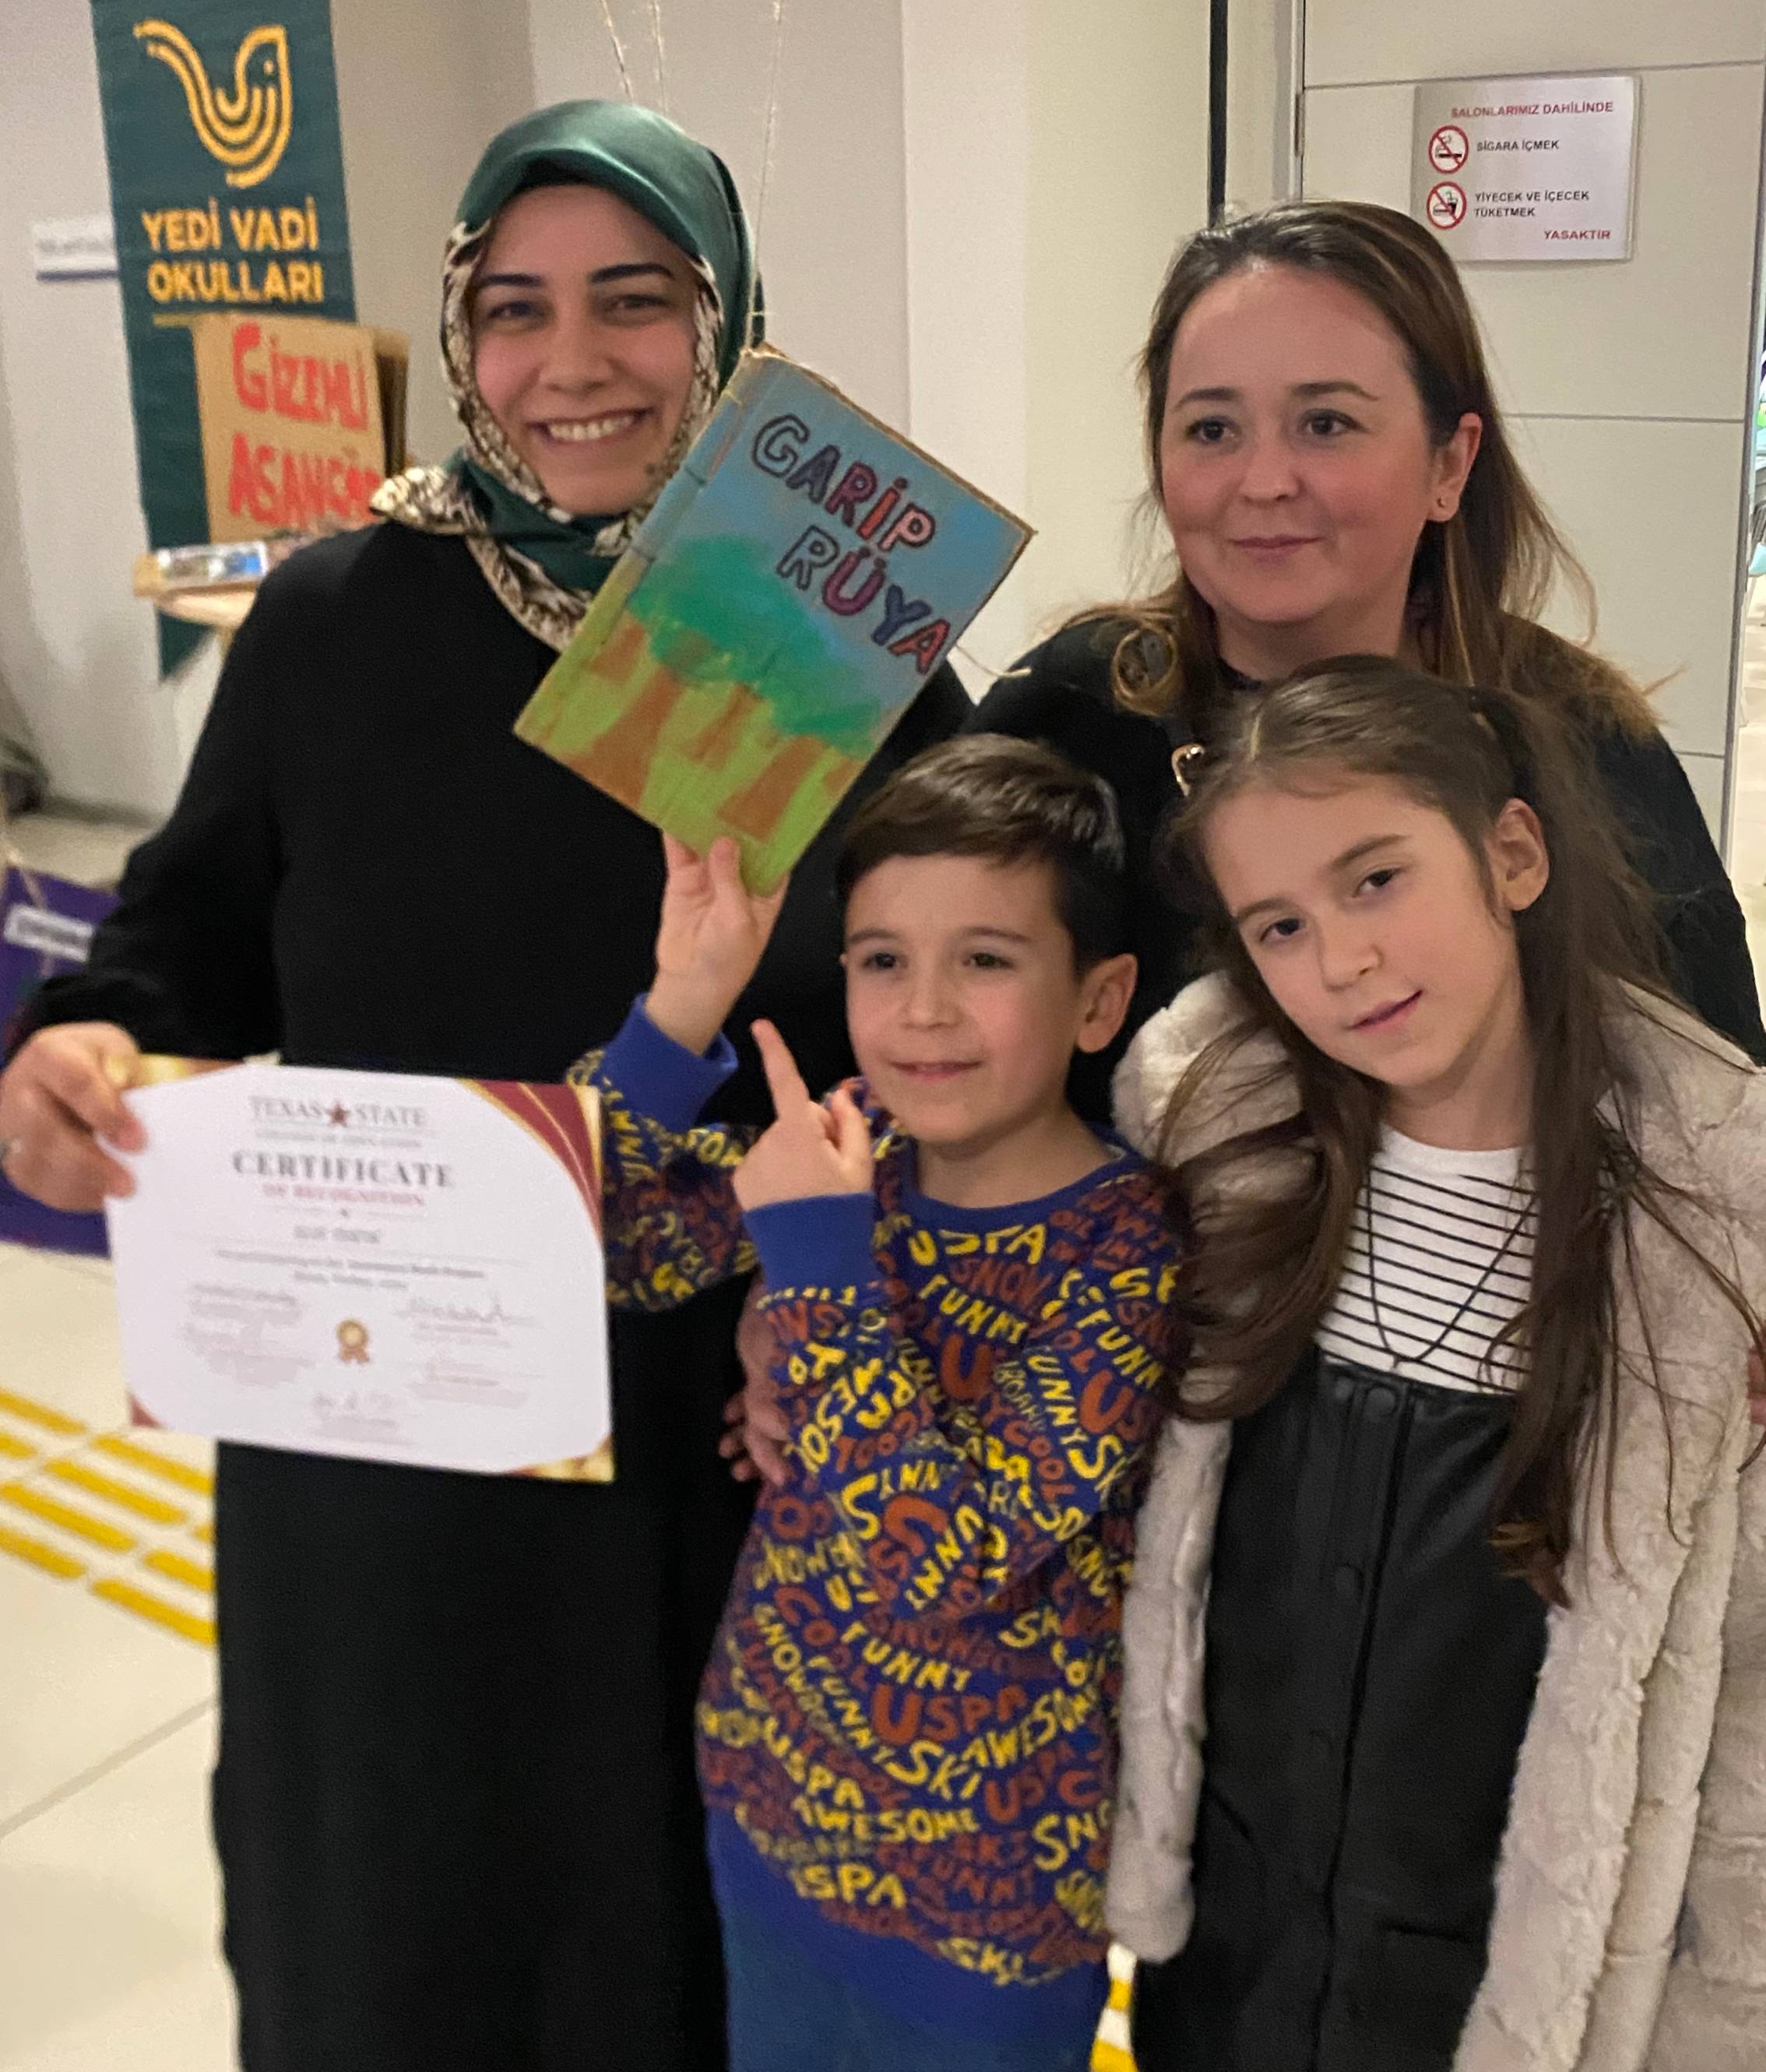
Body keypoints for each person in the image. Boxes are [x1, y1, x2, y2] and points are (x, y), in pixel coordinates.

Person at [0, 100, 968, 2072]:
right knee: (387, 1881)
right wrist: (87, 1036)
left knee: (663, 1900)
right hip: (380, 1412)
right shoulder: (343, 613)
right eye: (514, 310)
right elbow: (189, 926)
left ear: (729, 326)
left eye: (635, 300)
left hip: (702, 1410)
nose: (571, 363)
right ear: (461, 337)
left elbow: (954, 1011)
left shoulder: (818, 627)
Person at [1106, 655, 1766, 2069]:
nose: (1338, 958)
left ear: (1509, 852)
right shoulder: (1206, 1127)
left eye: (1375, 878)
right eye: (1276, 923)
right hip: (1230, 1952)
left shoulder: (1716, 1204)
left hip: (1502, 1986)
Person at [574, 734, 1178, 2072]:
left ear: (1098, 997)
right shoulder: (853, 1149)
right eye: (881, 959)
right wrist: (684, 1004)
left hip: (989, 1904)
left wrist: (816, 1274)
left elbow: (940, 1556)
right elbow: (582, 1238)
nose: (922, 1009)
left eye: (986, 957)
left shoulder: (1124, 1246)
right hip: (764, 1807)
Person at [973, 199, 1765, 1090]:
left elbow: (1717, 1110)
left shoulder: (1582, 742)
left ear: (1449, 465)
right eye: (1211, 430)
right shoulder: (1074, 712)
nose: (1264, 482)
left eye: (1326, 424)